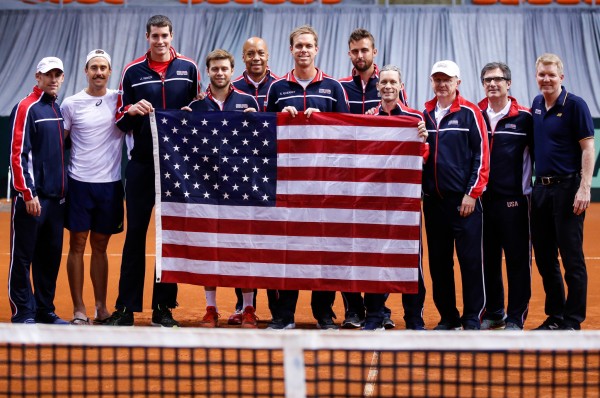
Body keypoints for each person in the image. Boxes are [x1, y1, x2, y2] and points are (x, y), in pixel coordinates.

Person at [105, 14, 201, 327]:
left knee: (167, 239)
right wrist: (131, 110)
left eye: (165, 36)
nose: (160, 41)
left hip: (175, 167)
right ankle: (125, 309)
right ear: (147, 37)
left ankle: (163, 308)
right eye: (155, 36)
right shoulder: (132, 72)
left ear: (172, 36)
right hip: (142, 166)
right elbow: (119, 121)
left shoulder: (189, 69)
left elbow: (199, 113)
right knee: (134, 238)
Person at [265, 24, 350, 330]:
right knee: (287, 249)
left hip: (323, 183)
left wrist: (323, 122)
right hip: (287, 184)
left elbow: (345, 133)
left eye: (308, 46)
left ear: (316, 49)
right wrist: (280, 118)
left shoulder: (333, 87)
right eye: (298, 46)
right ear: (291, 50)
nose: (303, 50)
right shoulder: (276, 89)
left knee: (323, 249)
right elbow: (265, 134)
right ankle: (284, 315)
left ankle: (324, 314)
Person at [185, 49, 261, 329]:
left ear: (232, 71)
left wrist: (258, 120)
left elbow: (260, 145)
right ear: (209, 72)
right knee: (210, 250)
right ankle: (211, 308)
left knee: (244, 249)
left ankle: (249, 308)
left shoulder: (248, 101)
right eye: (214, 69)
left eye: (224, 68)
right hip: (207, 190)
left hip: (241, 190)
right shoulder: (196, 109)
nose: (219, 73)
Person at [337, 28, 401, 329]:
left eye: (365, 50)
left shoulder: (389, 85)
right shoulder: (339, 89)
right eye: (355, 51)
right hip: (348, 185)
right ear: (349, 54)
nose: (360, 55)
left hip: (383, 187)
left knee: (382, 248)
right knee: (348, 247)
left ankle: (381, 308)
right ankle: (353, 310)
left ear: (374, 52)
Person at [422, 60, 489, 330]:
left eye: (447, 79)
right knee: (439, 265)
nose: (441, 83)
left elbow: (482, 156)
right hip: (433, 203)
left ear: (457, 82)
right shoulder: (424, 114)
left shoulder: (471, 113)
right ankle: (448, 316)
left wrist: (472, 194)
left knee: (471, 262)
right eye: (437, 78)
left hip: (464, 203)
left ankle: (473, 317)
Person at [60, 49, 125, 326]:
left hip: (110, 186)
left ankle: (102, 307)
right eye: (94, 67)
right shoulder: (71, 104)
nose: (99, 72)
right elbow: (59, 143)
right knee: (77, 245)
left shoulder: (119, 101)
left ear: (110, 72)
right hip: (78, 184)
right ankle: (78, 308)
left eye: (103, 68)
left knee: (101, 247)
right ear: (86, 71)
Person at [530, 53, 595, 331]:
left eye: (551, 75)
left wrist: (584, 187)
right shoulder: (535, 105)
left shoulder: (576, 105)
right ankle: (555, 316)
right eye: (542, 74)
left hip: (568, 190)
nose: (546, 79)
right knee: (545, 259)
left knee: (571, 259)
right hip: (540, 192)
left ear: (561, 77)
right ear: (536, 76)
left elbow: (588, 148)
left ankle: (573, 320)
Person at [362, 65, 427, 331]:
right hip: (376, 202)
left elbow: (425, 154)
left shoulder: (415, 118)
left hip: (406, 202)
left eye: (393, 82)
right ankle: (374, 315)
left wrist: (421, 142)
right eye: (384, 82)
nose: (388, 86)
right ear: (378, 87)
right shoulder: (367, 118)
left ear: (401, 86)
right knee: (376, 258)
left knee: (411, 259)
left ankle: (413, 317)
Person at [8, 56, 69, 324]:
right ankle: (23, 311)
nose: (53, 79)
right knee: (22, 258)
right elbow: (17, 155)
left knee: (49, 258)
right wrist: (27, 193)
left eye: (57, 74)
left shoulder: (56, 109)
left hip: (56, 201)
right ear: (38, 77)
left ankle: (45, 309)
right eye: (48, 74)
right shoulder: (26, 107)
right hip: (32, 199)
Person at [477, 62, 533, 331]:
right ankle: (495, 311)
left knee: (517, 261)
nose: (492, 84)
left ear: (508, 84)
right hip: (483, 203)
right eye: (487, 80)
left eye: (498, 79)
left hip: (515, 203)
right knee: (488, 260)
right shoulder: (475, 115)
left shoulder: (525, 117)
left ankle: (515, 315)